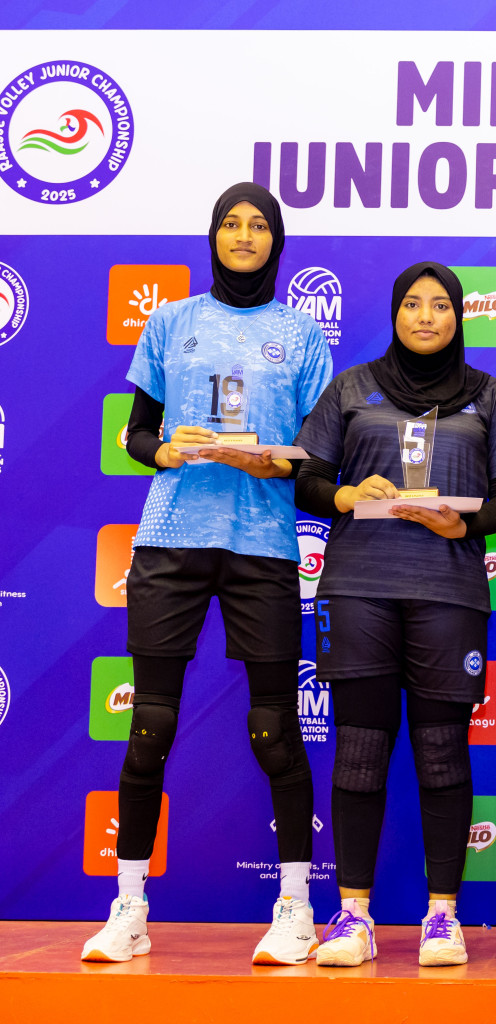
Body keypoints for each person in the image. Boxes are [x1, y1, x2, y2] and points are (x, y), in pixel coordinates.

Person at [81, 183, 333, 965]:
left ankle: (295, 908)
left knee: (274, 731)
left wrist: (274, 458)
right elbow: (137, 433)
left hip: (262, 544)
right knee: (148, 726)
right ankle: (129, 909)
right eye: (232, 223)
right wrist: (167, 450)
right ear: (214, 236)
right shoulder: (172, 319)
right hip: (171, 539)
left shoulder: (302, 336)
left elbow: (319, 457)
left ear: (278, 242)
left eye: (260, 225)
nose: (245, 235)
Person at [291, 262, 496, 967]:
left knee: (443, 751)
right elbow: (305, 477)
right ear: (395, 313)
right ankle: (352, 917)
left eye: (441, 306)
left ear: (460, 317)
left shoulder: (490, 397)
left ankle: (442, 917)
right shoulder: (351, 388)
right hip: (359, 587)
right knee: (361, 749)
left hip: (449, 594)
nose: (426, 317)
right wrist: (345, 492)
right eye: (413, 304)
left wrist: (467, 527)